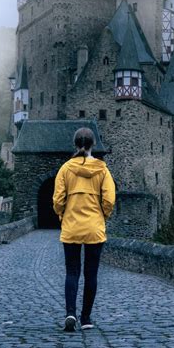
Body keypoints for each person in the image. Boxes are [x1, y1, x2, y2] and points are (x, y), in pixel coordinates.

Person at [53, 127, 115, 332]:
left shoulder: (65, 169)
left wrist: (63, 215)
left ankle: (70, 312)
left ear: (75, 145)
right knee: (91, 274)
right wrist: (101, 216)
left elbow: (57, 200)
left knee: (72, 272)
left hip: (71, 227)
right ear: (93, 145)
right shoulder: (102, 169)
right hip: (94, 228)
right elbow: (109, 199)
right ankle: (86, 318)